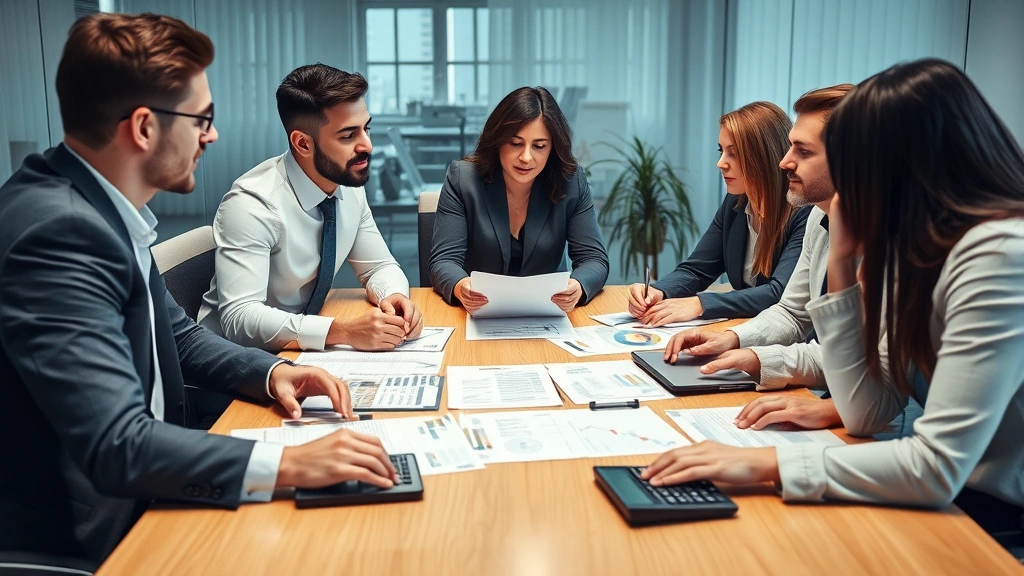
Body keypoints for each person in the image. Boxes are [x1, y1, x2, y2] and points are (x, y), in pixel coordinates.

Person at [0, 14, 399, 569]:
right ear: (143, 127)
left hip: (147, 483)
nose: (211, 135)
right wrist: (288, 466)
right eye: (201, 119)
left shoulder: (96, 208)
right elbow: (119, 445)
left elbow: (180, 337)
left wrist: (272, 373)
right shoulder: (57, 234)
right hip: (89, 534)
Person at [643, 60, 1024, 524]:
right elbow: (867, 410)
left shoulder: (997, 254)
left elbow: (936, 467)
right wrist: (842, 264)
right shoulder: (905, 239)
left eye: (856, 158)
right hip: (954, 492)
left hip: (995, 509)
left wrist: (763, 463)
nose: (785, 164)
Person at [661, 85, 859, 430]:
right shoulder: (817, 215)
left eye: (803, 150)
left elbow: (871, 380)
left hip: (875, 417)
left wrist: (711, 314)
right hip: (842, 398)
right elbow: (793, 314)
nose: (785, 161)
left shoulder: (815, 215)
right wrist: (734, 341)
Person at [198, 64, 422, 352]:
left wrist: (392, 296)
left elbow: (378, 266)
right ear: (303, 143)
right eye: (347, 136)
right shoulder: (252, 204)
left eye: (366, 129)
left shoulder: (347, 184)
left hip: (298, 348)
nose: (367, 145)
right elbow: (240, 319)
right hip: (234, 361)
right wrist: (342, 331)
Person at [428, 86, 609, 314]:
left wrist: (578, 286)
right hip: (476, 313)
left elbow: (594, 259)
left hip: (547, 314)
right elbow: (443, 261)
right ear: (498, 141)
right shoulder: (463, 179)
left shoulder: (571, 182)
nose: (525, 157)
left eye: (539, 146)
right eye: (515, 143)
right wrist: (460, 286)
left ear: (552, 148)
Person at [628, 102, 811, 326]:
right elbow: (698, 270)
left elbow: (778, 293)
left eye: (733, 154)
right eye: (721, 151)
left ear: (765, 156)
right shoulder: (735, 204)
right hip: (741, 330)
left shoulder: (804, 213)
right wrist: (659, 291)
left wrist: (701, 304)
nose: (721, 163)